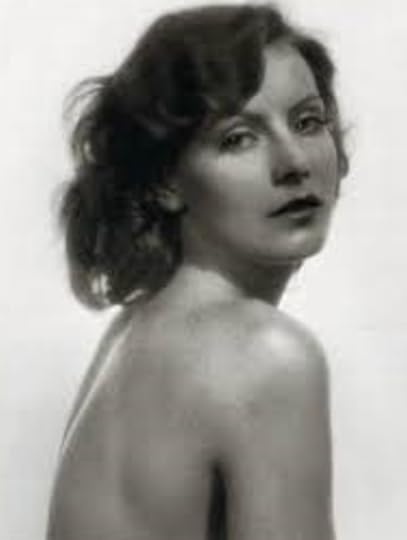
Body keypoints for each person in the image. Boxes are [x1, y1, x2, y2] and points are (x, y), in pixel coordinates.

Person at [47, 3, 348, 539]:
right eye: (238, 138)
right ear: (165, 181)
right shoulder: (263, 354)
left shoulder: (137, 333)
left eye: (307, 122)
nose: (294, 162)